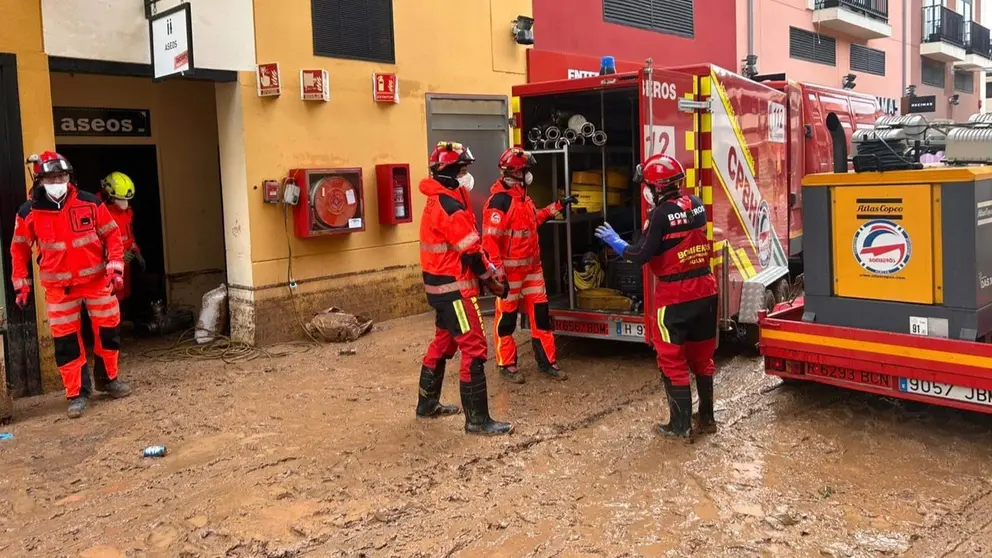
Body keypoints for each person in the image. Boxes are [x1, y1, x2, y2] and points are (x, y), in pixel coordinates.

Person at [594, 154, 718, 441]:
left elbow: (640, 255)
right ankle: (707, 419)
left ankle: (679, 426)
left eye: (647, 185)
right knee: (702, 358)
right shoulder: (697, 205)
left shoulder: (659, 216)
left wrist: (618, 243)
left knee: (672, 359)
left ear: (658, 188)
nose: (645, 191)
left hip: (675, 297)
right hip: (706, 291)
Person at [10, 151, 133, 419]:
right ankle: (76, 394)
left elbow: (112, 235)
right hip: (59, 290)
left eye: (62, 176)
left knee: (109, 332)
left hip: (98, 281)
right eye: (52, 177)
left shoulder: (89, 203)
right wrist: (22, 286)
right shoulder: (28, 212)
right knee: (66, 343)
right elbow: (19, 251)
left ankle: (108, 379)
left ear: (69, 177)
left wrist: (115, 267)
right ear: (40, 179)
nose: (58, 181)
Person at [418, 141, 513, 436]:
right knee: (474, 348)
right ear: (449, 172)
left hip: (439, 289)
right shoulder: (450, 207)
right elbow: (470, 253)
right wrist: (492, 281)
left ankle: (427, 405)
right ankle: (478, 420)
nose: (466, 175)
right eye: (462, 169)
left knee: (443, 344)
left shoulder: (440, 198)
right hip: (455, 291)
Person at [482, 147, 576, 383]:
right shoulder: (500, 202)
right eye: (526, 171)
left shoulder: (522, 197)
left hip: (533, 269)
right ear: (516, 173)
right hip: (510, 274)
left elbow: (534, 220)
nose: (529, 175)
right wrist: (498, 274)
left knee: (542, 317)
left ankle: (547, 362)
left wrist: (557, 206)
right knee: (506, 320)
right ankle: (506, 364)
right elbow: (490, 242)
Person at [99, 172, 146, 305]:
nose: (123, 203)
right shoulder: (100, 213)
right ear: (109, 195)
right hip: (108, 269)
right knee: (111, 301)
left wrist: (137, 252)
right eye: (120, 199)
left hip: (126, 264)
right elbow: (94, 245)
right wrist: (115, 258)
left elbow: (129, 236)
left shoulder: (127, 212)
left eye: (126, 199)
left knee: (123, 299)